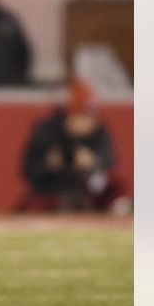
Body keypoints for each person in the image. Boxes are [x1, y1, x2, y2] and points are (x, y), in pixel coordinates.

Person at [21, 81, 128, 213]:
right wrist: (48, 165)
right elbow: (29, 169)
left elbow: (110, 162)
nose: (87, 122)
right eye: (81, 115)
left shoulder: (99, 131)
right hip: (52, 192)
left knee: (118, 194)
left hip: (89, 193)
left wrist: (93, 161)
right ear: (69, 115)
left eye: (90, 116)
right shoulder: (48, 130)